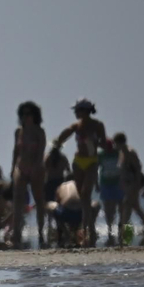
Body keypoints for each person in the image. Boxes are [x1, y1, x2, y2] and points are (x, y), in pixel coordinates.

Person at [54, 99, 108, 246]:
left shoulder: (97, 125)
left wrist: (96, 141)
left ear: (85, 111)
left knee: (86, 194)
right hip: (79, 161)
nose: (75, 113)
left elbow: (104, 142)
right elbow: (65, 135)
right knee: (83, 197)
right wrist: (57, 143)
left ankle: (88, 229)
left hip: (91, 161)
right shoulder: (76, 126)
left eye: (77, 111)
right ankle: (86, 229)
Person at [10, 101, 47, 247]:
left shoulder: (39, 131)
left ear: (34, 115)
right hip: (21, 167)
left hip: (36, 167)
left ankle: (40, 233)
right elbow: (15, 151)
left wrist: (37, 167)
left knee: (39, 200)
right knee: (18, 201)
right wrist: (13, 168)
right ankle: (16, 234)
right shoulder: (19, 131)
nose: (26, 117)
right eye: (23, 114)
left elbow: (41, 151)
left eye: (29, 114)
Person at [113, 132, 144, 244]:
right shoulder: (122, 153)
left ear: (120, 142)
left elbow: (138, 169)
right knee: (133, 207)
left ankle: (125, 233)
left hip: (133, 184)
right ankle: (138, 230)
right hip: (126, 185)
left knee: (128, 206)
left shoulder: (130, 152)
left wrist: (136, 186)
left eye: (115, 143)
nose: (114, 146)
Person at [47, 178, 95, 247]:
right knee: (95, 205)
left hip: (66, 213)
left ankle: (65, 232)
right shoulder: (81, 185)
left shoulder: (62, 186)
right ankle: (90, 229)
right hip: (81, 213)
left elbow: (58, 203)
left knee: (50, 205)